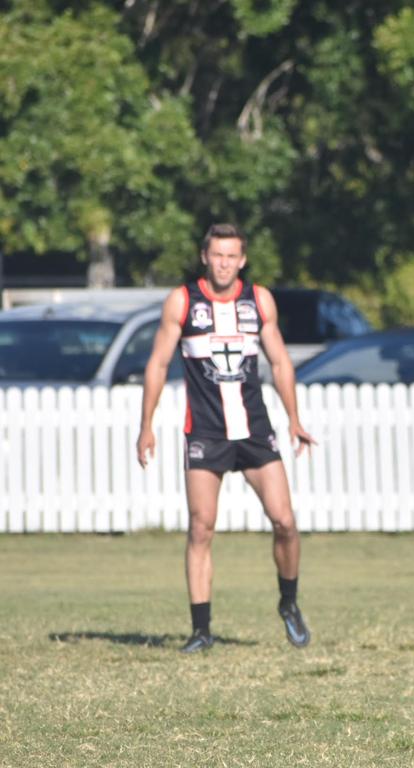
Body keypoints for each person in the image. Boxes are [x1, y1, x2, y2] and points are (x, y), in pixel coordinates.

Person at [136, 223, 315, 653]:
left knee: (285, 522)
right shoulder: (182, 302)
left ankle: (288, 603)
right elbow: (158, 364)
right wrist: (147, 424)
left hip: (253, 429)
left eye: (232, 256)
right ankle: (201, 630)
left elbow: (280, 362)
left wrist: (294, 418)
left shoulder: (259, 301)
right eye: (217, 255)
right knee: (201, 528)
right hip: (206, 431)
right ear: (204, 256)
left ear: (243, 259)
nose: (224, 263)